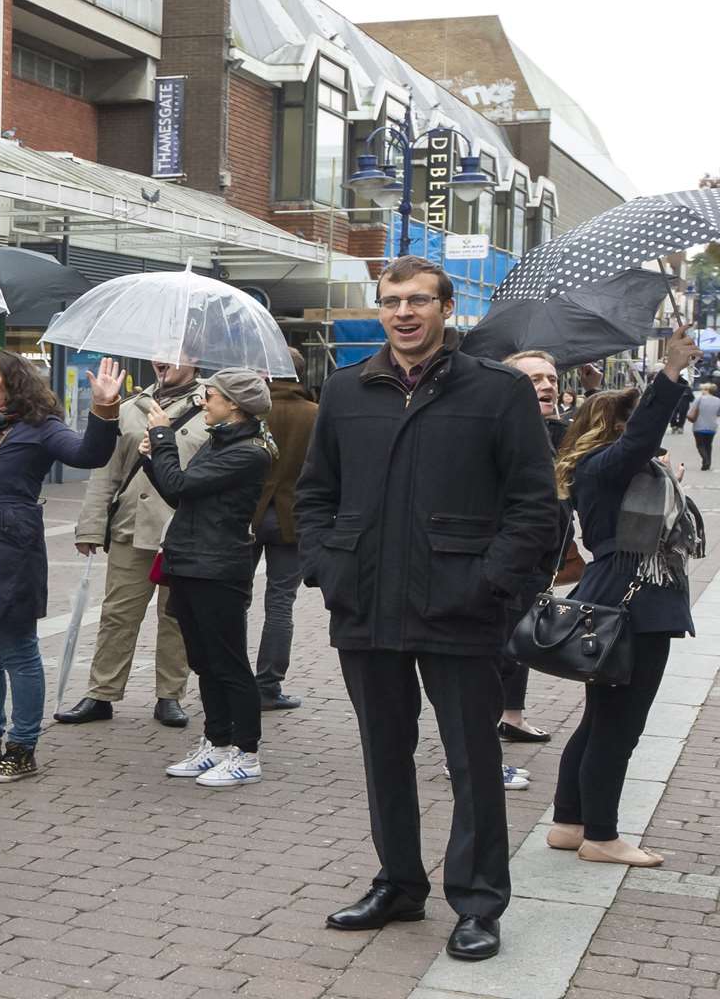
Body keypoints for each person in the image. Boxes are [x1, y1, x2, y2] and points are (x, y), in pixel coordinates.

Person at [296, 255, 562, 962]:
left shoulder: (498, 391)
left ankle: (478, 903)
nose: (404, 312)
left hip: (461, 608)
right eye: (392, 301)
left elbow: (535, 506)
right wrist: (329, 567)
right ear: (379, 309)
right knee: (385, 753)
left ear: (447, 309)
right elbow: (315, 493)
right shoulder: (347, 389)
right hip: (367, 605)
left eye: (419, 300)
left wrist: (488, 583)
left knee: (473, 761)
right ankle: (400, 883)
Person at [547, 327, 701, 867]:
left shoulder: (613, 472)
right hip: (631, 604)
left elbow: (639, 452)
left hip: (619, 596)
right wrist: (672, 371)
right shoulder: (607, 465)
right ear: (617, 429)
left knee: (599, 719)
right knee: (619, 725)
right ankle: (603, 836)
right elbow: (640, 440)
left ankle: (569, 823)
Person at [0, 350, 120, 784]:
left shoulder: (40, 428)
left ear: (13, 382)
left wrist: (105, 407)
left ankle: (22, 748)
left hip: (13, 548)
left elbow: (89, 453)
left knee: (17, 652)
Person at [57, 359, 205, 729]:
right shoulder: (128, 408)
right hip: (131, 528)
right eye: (158, 352)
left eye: (173, 352)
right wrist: (90, 528)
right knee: (117, 615)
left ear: (194, 360)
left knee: (176, 618)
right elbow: (105, 473)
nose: (162, 360)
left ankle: (169, 696)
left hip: (182, 530)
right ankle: (101, 693)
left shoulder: (210, 407)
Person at [147, 369, 275, 788]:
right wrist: (153, 457)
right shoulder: (219, 441)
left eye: (211, 395)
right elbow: (180, 493)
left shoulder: (250, 452)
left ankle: (247, 753)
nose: (204, 401)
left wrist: (164, 439)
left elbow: (181, 482)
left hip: (217, 566)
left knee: (229, 662)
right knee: (203, 660)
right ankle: (217, 743)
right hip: (189, 560)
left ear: (235, 404)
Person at [495, 349, 571, 762]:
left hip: (541, 563)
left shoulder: (551, 429)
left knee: (520, 644)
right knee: (499, 652)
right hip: (511, 563)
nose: (546, 385)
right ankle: (479, 754)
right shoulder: (501, 432)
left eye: (551, 378)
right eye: (534, 379)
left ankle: (511, 715)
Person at [252, 349, 318, 712]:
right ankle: (268, 685)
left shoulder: (252, 410)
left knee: (235, 600)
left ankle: (228, 677)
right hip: (292, 520)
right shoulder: (315, 413)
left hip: (248, 515)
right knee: (280, 604)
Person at [688, 383, 720, 470]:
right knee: (708, 445)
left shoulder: (700, 399)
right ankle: (708, 463)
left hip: (699, 426)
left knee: (700, 445)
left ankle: (705, 460)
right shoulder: (718, 400)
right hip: (712, 427)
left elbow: (691, 411)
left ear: (706, 390)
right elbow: (718, 413)